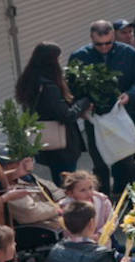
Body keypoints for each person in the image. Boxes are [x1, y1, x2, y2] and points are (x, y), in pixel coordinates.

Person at [70, 20, 135, 196]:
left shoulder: (127, 52)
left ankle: (126, 195)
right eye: (99, 44)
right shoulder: (79, 56)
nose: (104, 47)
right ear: (91, 39)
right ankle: (102, 197)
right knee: (99, 162)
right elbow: (72, 87)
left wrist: (130, 95)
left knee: (126, 160)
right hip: (95, 117)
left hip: (122, 114)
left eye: (108, 43)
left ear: (113, 37)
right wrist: (82, 107)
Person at [15, 42, 87, 181]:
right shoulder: (49, 87)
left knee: (58, 177)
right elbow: (66, 115)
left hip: (45, 139)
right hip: (62, 144)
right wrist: (83, 102)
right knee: (66, 181)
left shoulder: (29, 81)